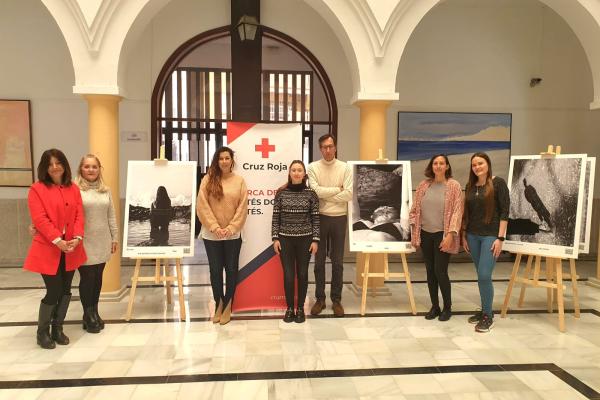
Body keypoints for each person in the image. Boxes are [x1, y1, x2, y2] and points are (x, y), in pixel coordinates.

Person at [24, 149, 86, 349]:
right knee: (54, 290)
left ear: (64, 165)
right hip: (48, 248)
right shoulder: (36, 189)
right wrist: (57, 240)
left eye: (58, 163)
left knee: (66, 290)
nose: (54, 167)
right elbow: (39, 219)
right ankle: (42, 332)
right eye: (50, 164)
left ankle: (57, 329)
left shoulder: (73, 188)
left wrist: (77, 237)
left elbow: (79, 215)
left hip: (71, 248)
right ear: (45, 167)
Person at [197, 147, 248, 325]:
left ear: (232, 160)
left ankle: (228, 305)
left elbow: (243, 207)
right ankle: (218, 303)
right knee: (215, 270)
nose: (224, 161)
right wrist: (214, 227)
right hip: (212, 235)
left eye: (227, 158)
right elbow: (202, 205)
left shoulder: (239, 181)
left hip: (232, 235)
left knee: (231, 269)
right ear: (216, 161)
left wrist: (232, 227)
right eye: (221, 158)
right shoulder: (208, 179)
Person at [409, 154, 463, 322]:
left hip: (443, 235)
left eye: (441, 163)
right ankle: (435, 306)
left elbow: (457, 211)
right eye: (435, 163)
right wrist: (413, 228)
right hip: (425, 234)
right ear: (431, 166)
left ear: (447, 166)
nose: (438, 166)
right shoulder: (423, 185)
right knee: (430, 272)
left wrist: (450, 234)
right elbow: (415, 210)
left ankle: (447, 307)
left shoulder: (454, 186)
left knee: (440, 271)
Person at [462, 152, 509, 333]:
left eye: (480, 163)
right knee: (481, 275)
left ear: (488, 164)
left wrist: (500, 238)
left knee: (484, 275)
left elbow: (505, 212)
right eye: (474, 165)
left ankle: (488, 316)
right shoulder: (470, 186)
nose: (477, 167)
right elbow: (467, 213)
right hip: (472, 236)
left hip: (491, 236)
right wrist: (465, 235)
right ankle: (484, 310)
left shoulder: (498, 183)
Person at [307, 134, 352, 317]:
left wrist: (326, 196)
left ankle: (336, 300)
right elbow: (315, 192)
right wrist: (337, 190)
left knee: (338, 262)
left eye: (330, 146)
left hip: (339, 218)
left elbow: (349, 194)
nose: (328, 150)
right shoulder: (312, 167)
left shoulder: (345, 167)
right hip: (319, 218)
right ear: (320, 149)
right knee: (318, 262)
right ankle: (320, 299)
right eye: (324, 147)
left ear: (335, 147)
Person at [272, 160, 320, 323]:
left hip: (305, 240)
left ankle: (300, 308)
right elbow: (276, 217)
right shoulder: (281, 193)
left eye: (300, 170)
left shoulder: (311, 194)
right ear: (289, 173)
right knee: (289, 275)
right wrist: (275, 238)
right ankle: (289, 308)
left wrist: (315, 240)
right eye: (294, 170)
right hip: (285, 240)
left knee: (303, 274)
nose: (297, 173)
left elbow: (315, 218)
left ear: (304, 174)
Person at [74, 154, 118, 333]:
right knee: (87, 277)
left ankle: (94, 312)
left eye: (94, 166)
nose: (91, 170)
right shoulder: (75, 189)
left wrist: (114, 237)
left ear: (99, 169)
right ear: (81, 169)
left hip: (102, 239)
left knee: (98, 277)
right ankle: (87, 314)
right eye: (87, 166)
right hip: (83, 240)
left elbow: (111, 215)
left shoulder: (105, 190)